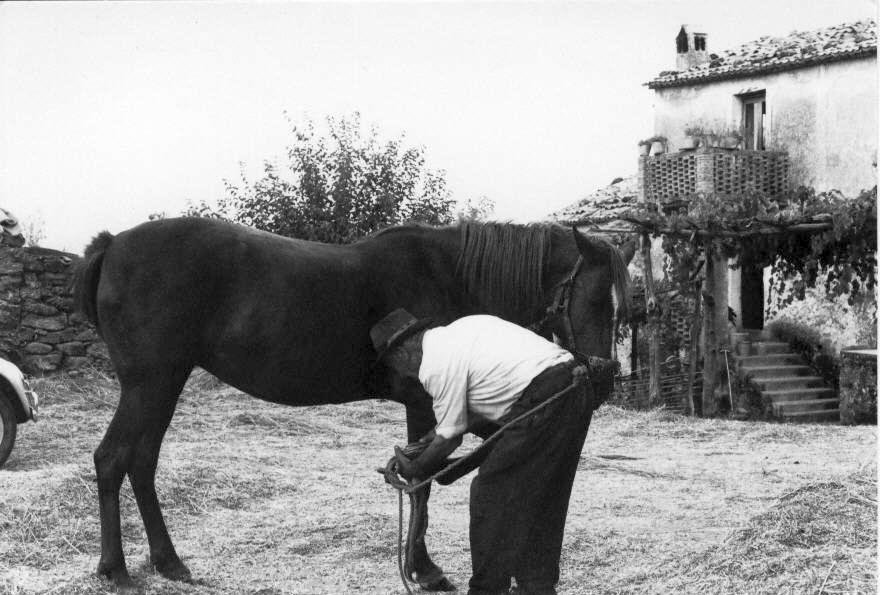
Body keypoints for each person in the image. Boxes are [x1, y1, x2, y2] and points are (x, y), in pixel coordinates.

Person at [370, 308, 599, 595]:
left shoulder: (434, 367)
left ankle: (487, 590)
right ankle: (537, 585)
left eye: (396, 367)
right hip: (574, 385)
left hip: (546, 393)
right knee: (544, 494)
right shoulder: (462, 331)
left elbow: (449, 439)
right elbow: (475, 415)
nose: (403, 375)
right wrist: (437, 443)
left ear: (402, 354)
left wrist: (415, 468)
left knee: (490, 493)